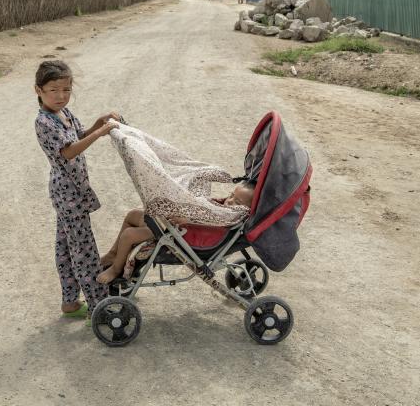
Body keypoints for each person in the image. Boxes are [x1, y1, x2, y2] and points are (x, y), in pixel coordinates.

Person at [34, 59, 121, 318]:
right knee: (84, 251)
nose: (61, 96)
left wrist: (97, 123)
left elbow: (78, 136)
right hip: (68, 193)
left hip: (72, 191)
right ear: (38, 90)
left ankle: (70, 301)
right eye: (54, 90)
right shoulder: (44, 122)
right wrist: (101, 133)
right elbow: (69, 151)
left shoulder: (64, 113)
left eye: (67, 90)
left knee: (65, 247)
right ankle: (98, 307)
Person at [97, 181, 256, 284]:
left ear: (246, 209)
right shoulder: (225, 207)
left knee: (129, 235)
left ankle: (116, 269)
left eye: (237, 202)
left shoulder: (230, 216)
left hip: (182, 236)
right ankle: (113, 253)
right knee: (132, 215)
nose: (229, 201)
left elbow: (206, 220)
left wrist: (186, 218)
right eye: (231, 195)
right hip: (174, 226)